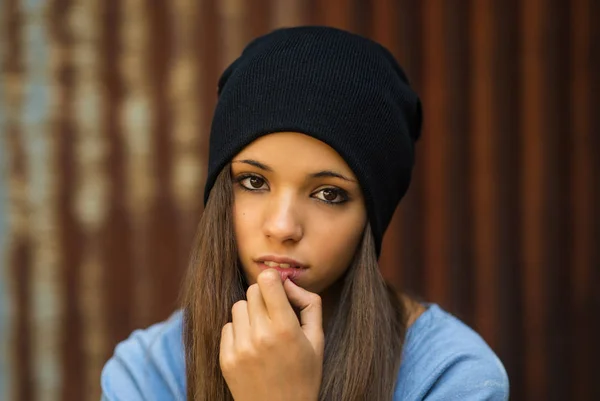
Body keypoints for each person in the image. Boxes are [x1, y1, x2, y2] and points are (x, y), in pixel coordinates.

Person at [101, 26, 509, 400]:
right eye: (254, 182)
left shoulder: (451, 378)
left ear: (371, 215)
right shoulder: (147, 376)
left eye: (329, 194)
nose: (282, 227)